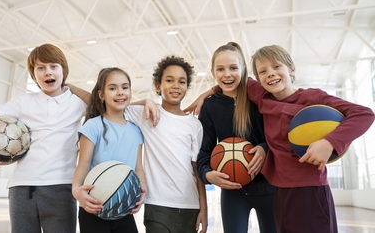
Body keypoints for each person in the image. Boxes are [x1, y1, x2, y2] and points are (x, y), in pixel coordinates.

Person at [185, 44, 375, 233]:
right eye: (263, 71)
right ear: (258, 78)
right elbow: (229, 79)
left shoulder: (307, 97)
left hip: (304, 188)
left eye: (276, 67)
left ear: (292, 70)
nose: (271, 74)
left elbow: (364, 114)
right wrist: (207, 93)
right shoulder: (262, 98)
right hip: (280, 191)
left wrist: (330, 142)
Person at [0, 43, 87, 233]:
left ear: (63, 70)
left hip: (61, 187)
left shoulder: (78, 103)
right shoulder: (23, 102)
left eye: (53, 66)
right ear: (33, 74)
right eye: (40, 68)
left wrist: (146, 101)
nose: (47, 72)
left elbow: (107, 105)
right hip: (21, 188)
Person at [196, 42, 276, 233]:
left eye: (233, 68)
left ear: (243, 69)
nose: (227, 74)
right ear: (213, 72)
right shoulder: (210, 107)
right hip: (232, 191)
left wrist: (265, 148)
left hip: (269, 186)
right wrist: (207, 174)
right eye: (220, 69)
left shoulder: (261, 98)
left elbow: (279, 138)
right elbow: (204, 152)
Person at [125, 55, 208, 233]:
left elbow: (197, 168)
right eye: (169, 80)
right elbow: (116, 105)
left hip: (189, 205)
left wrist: (204, 208)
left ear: (187, 86)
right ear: (158, 86)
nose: (176, 86)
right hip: (157, 204)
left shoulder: (194, 125)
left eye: (182, 81)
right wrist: (146, 101)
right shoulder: (147, 113)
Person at [72, 67, 146, 233]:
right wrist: (76, 190)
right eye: (112, 88)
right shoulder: (93, 126)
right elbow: (83, 165)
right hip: (94, 206)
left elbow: (138, 167)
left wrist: (142, 191)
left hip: (123, 207)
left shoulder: (136, 130)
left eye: (125, 87)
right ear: (101, 95)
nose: (120, 92)